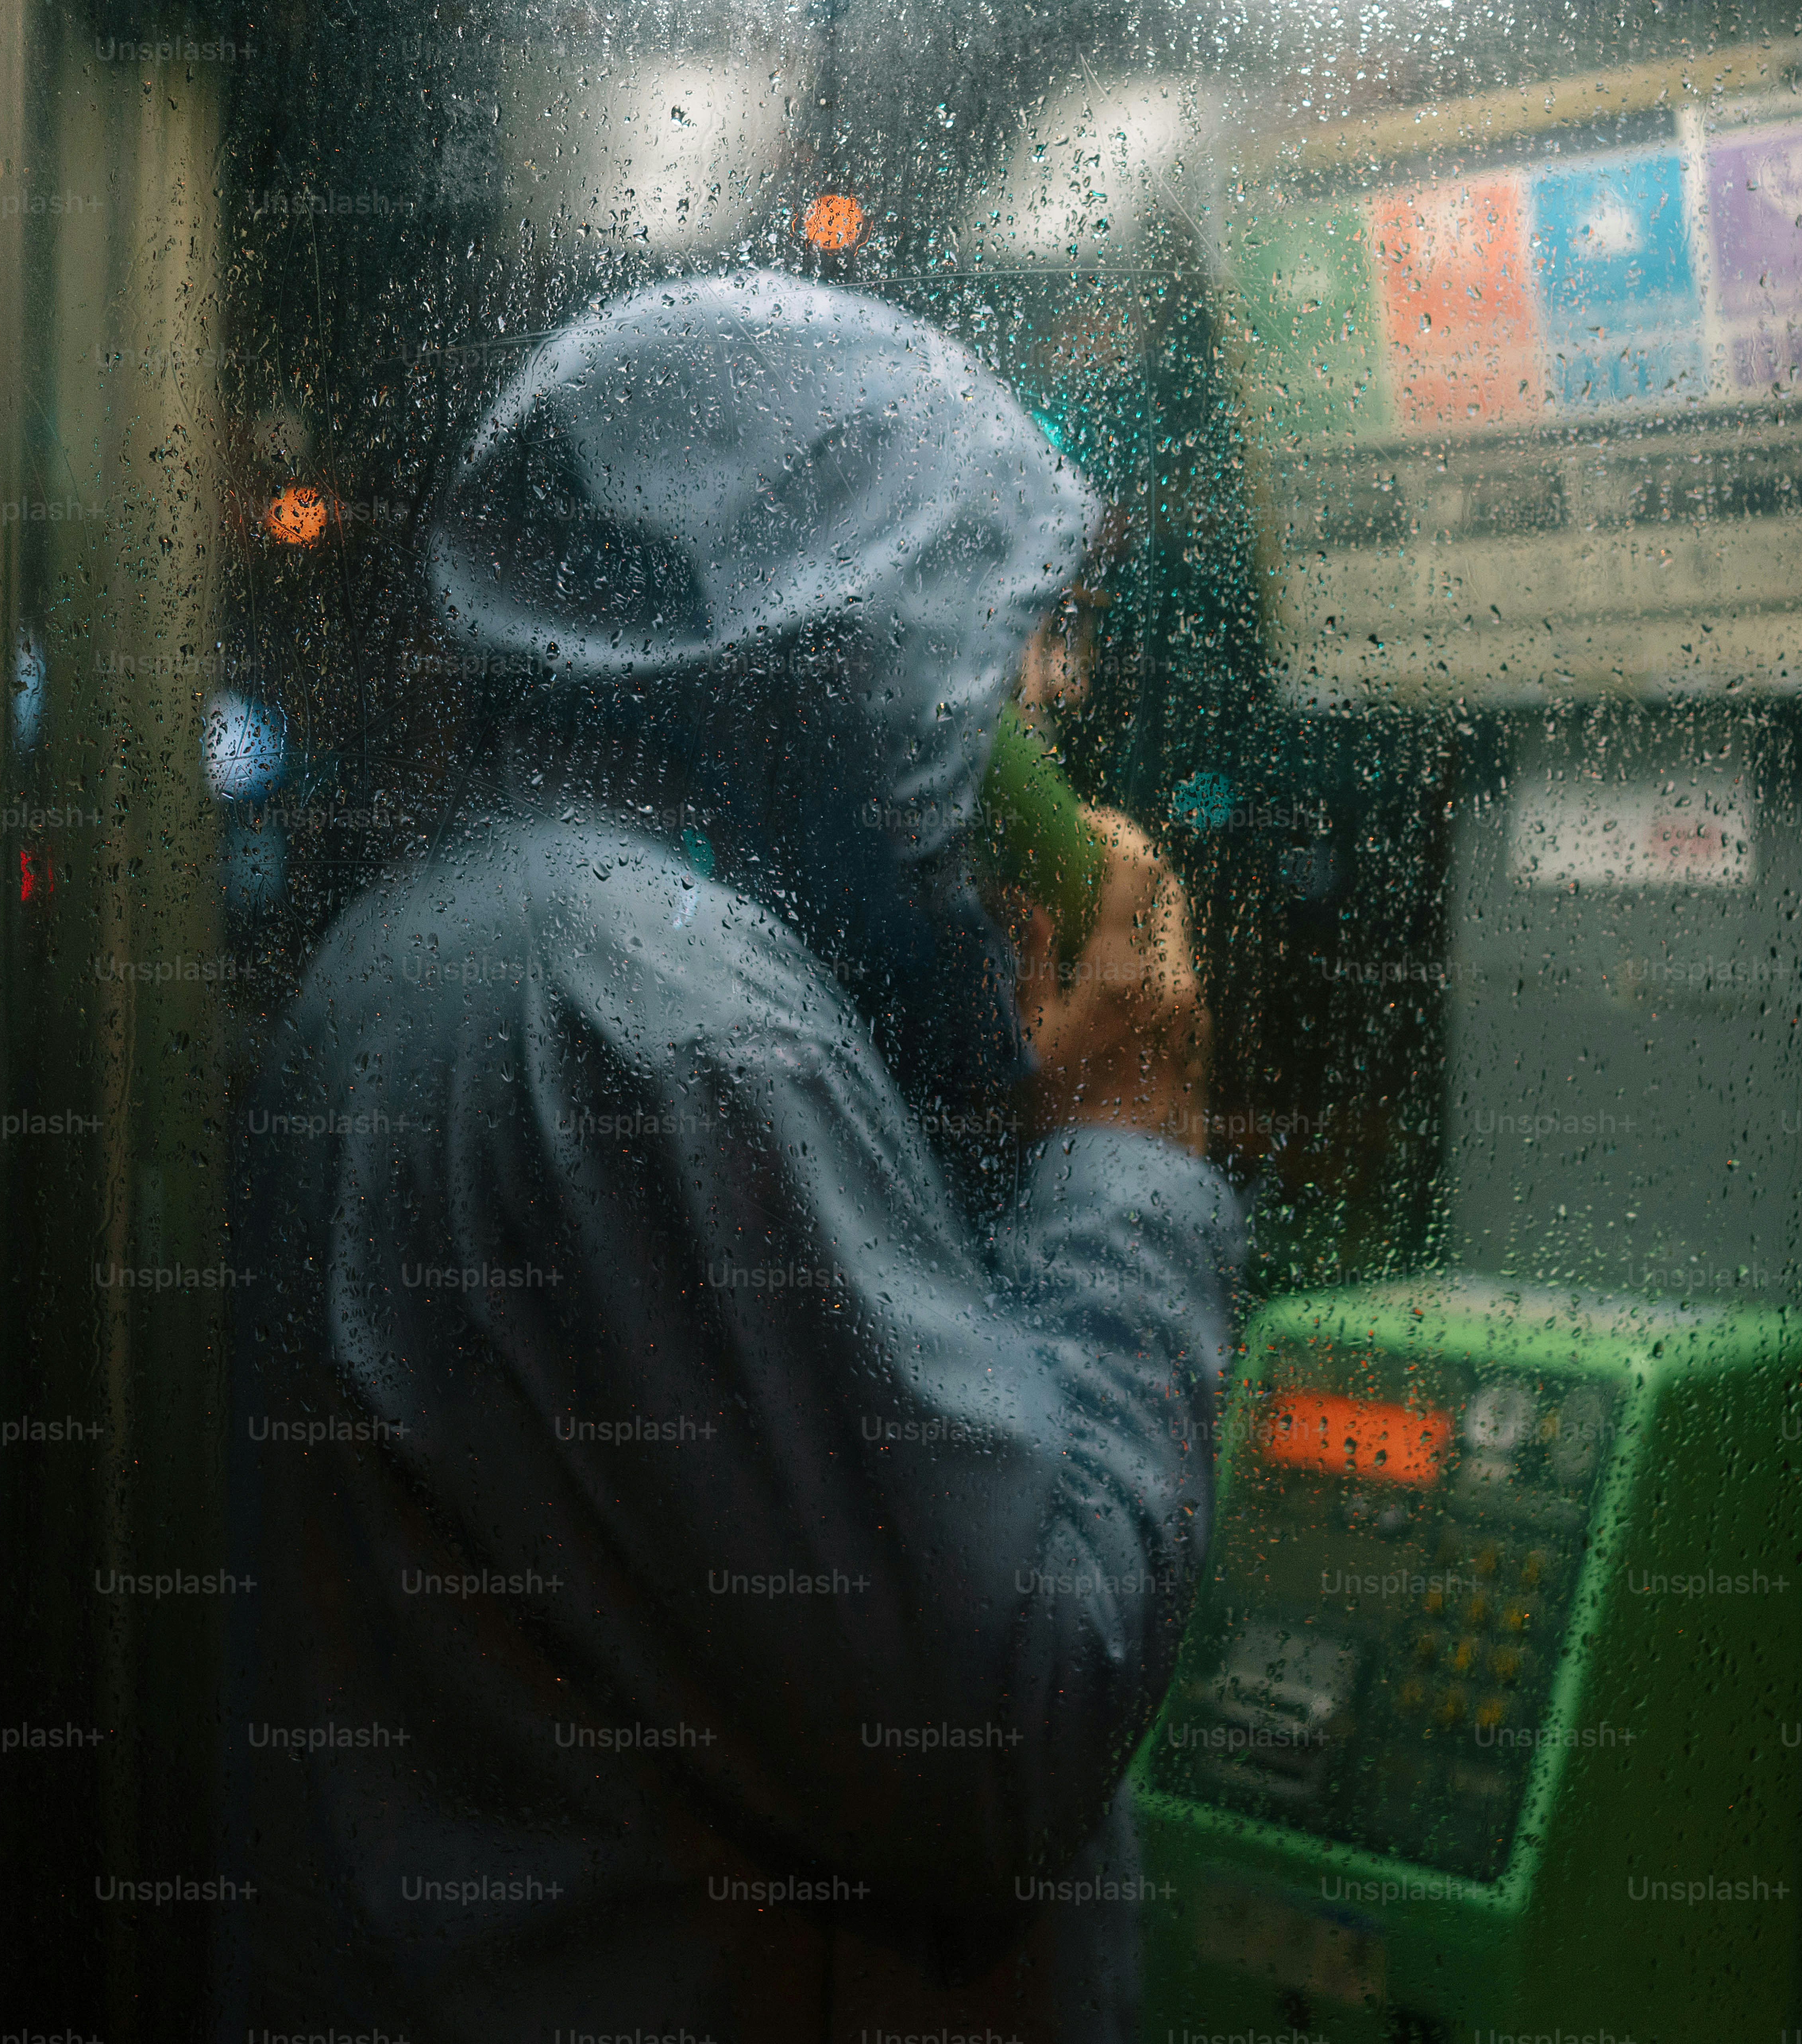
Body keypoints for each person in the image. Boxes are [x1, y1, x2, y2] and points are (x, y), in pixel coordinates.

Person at [225, 270, 1239, 2042]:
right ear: (839, 630)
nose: (1057, 684)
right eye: (1007, 622)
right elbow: (995, 1738)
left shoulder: (498, 930)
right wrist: (1131, 1145)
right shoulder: (668, 1023)